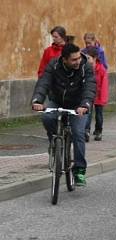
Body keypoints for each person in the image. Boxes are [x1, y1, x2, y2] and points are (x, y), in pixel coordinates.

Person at [31, 43, 96, 187]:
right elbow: (44, 82)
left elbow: (90, 87)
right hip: (58, 101)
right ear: (64, 59)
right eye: (74, 60)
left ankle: (79, 169)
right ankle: (55, 143)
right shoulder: (54, 65)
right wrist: (37, 100)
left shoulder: (85, 67)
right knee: (47, 117)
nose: (78, 61)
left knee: (79, 133)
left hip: (78, 105)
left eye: (79, 58)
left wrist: (85, 105)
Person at [83, 46, 108, 141]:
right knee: (88, 113)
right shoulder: (85, 68)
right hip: (88, 95)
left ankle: (98, 131)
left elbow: (104, 85)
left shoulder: (101, 69)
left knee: (99, 114)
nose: (86, 59)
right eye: (85, 57)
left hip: (98, 95)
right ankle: (86, 131)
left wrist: (103, 98)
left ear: (95, 58)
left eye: (88, 58)